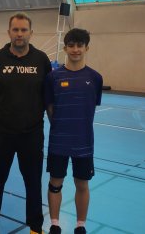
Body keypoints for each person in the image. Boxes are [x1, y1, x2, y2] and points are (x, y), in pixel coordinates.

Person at [0, 13, 52, 234]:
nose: (19, 34)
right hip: (1, 133)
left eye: (23, 30)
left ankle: (35, 227)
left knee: (33, 182)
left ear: (31, 33)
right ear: (9, 32)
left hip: (31, 134)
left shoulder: (41, 60)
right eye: (16, 30)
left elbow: (47, 94)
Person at [44, 28, 102, 234]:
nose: (75, 50)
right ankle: (54, 224)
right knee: (55, 183)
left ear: (87, 48)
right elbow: (50, 108)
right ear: (65, 47)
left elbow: (90, 108)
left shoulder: (95, 78)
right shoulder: (53, 77)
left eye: (79, 45)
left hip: (84, 141)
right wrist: (60, 126)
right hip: (58, 141)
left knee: (82, 184)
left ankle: (80, 225)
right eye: (71, 45)